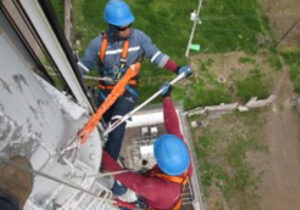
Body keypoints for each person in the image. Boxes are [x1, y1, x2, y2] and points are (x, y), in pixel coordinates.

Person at [77, 0, 191, 163]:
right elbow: (84, 65)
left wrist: (177, 68)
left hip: (127, 90)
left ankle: (108, 164)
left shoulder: (139, 39)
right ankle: (99, 145)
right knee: (104, 122)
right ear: (112, 27)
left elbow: (156, 56)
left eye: (129, 25)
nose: (128, 29)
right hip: (106, 92)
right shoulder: (98, 45)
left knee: (117, 123)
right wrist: (71, 71)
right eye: (124, 27)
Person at [101, 83, 193, 210]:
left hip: (154, 202)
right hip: (161, 197)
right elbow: (173, 127)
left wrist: (100, 152)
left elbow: (120, 174)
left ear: (160, 164)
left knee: (120, 192)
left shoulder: (153, 189)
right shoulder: (181, 156)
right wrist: (167, 97)